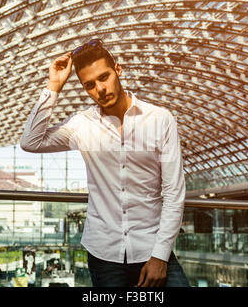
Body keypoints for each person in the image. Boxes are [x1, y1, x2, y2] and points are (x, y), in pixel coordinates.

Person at [20, 38, 189, 287]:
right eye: (89, 85)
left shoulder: (160, 119)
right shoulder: (81, 126)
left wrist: (160, 256)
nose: (99, 88)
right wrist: (54, 85)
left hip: (153, 248)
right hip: (104, 254)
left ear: (117, 70)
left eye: (104, 77)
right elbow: (30, 142)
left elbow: (174, 193)